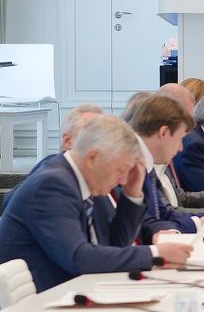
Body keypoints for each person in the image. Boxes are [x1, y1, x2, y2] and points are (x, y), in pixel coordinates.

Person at [0, 114, 191, 292]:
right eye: (120, 170)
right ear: (92, 158)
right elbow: (79, 258)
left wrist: (132, 195)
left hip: (74, 291)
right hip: (42, 301)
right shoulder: (52, 184)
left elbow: (114, 248)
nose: (123, 180)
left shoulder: (84, 177)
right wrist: (155, 253)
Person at [127, 94, 204, 241]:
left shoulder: (146, 161)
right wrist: (202, 223)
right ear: (164, 133)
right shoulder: (132, 163)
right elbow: (146, 227)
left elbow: (162, 214)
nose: (181, 148)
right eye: (180, 138)